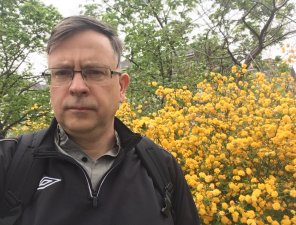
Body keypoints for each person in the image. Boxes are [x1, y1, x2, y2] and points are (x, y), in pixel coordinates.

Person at [0, 15, 199, 225]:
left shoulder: (161, 166)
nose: (77, 87)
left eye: (94, 72)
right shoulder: (8, 163)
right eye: (62, 73)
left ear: (121, 87)